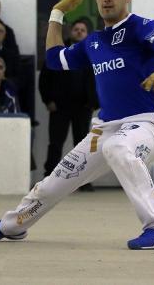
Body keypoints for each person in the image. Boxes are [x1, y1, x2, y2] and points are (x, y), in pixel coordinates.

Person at [0, 0, 154, 250]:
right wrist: (57, 14)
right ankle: (12, 227)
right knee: (56, 180)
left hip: (148, 125)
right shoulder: (94, 42)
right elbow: (54, 59)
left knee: (119, 147)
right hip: (105, 130)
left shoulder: (142, 27)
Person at [38, 19, 98, 191]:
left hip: (84, 107)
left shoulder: (93, 55)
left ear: (87, 34)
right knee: (55, 143)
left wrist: (95, 103)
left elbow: (103, 79)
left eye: (83, 30)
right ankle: (48, 181)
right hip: (59, 107)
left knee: (81, 146)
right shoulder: (58, 53)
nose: (79, 32)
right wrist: (47, 100)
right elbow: (44, 79)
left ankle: (83, 182)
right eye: (76, 29)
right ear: (71, 32)